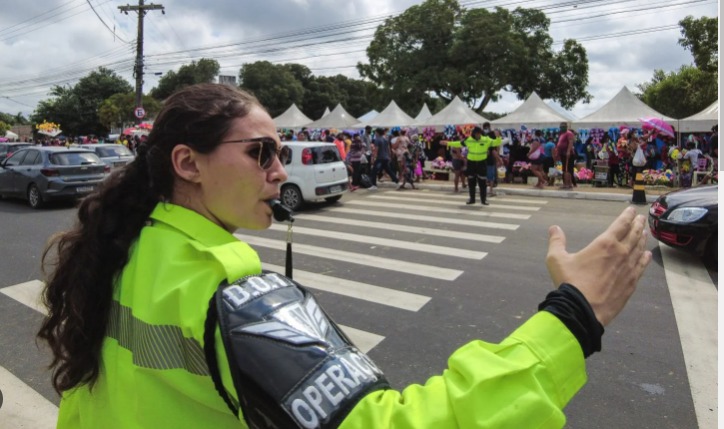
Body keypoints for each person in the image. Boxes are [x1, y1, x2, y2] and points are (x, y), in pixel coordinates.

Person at [37, 83, 652, 429]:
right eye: (261, 153)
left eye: (282, 151)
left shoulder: (125, 245)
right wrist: (571, 319)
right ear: (187, 163)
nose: (281, 172)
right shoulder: (228, 289)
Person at [448, 126, 501, 205]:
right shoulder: (469, 140)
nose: (477, 135)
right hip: (471, 163)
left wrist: (498, 137)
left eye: (479, 134)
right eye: (476, 134)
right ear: (473, 134)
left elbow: (496, 143)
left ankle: (483, 200)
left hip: (481, 163)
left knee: (482, 183)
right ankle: (472, 199)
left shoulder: (486, 139)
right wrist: (448, 143)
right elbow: (459, 143)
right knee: (471, 182)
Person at [556, 122, 576, 190]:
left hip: (567, 154)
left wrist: (568, 151)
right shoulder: (561, 134)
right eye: (561, 126)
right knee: (565, 169)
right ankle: (569, 184)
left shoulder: (569, 133)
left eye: (563, 126)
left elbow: (570, 142)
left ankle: (567, 184)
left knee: (567, 169)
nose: (562, 127)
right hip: (562, 154)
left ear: (566, 126)